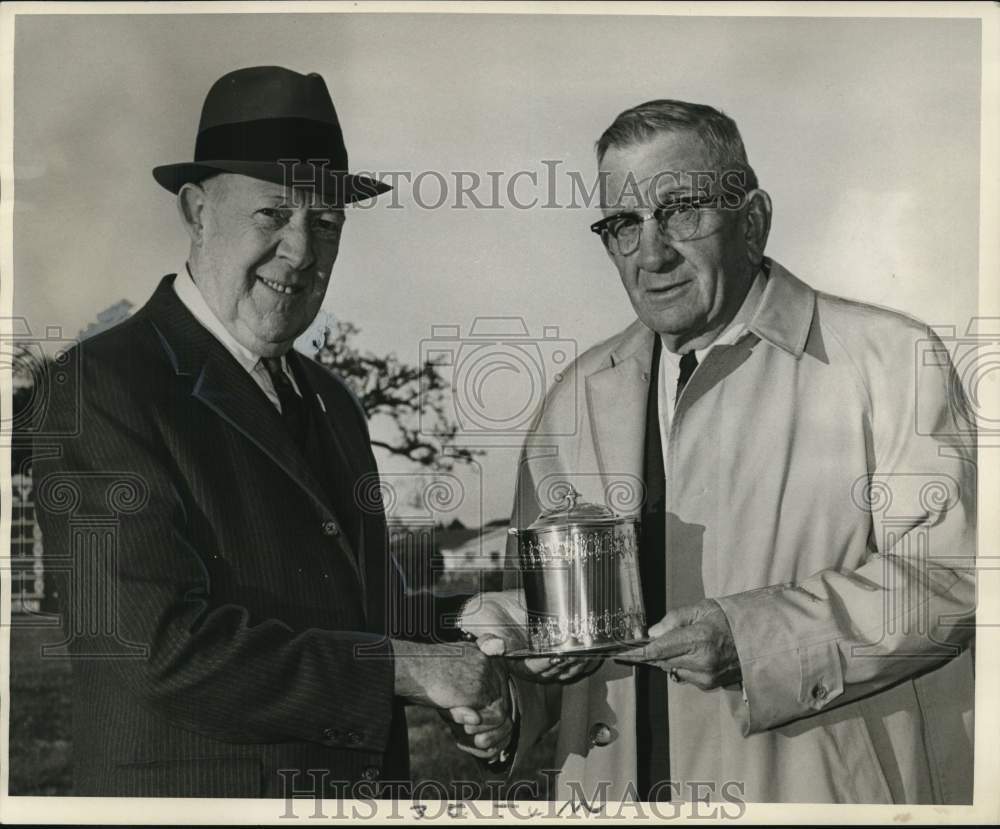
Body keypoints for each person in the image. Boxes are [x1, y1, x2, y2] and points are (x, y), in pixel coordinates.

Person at [460, 99, 976, 804]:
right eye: (623, 224)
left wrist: (754, 638)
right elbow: (557, 632)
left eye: (681, 211)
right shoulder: (576, 396)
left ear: (754, 219)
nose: (651, 252)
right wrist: (507, 703)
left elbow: (952, 582)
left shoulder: (889, 358)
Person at [32, 66, 511, 798]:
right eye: (273, 214)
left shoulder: (330, 401)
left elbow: (361, 606)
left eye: (326, 223)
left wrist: (478, 639)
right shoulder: (100, 384)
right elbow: (147, 646)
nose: (301, 251)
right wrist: (409, 670)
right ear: (196, 211)